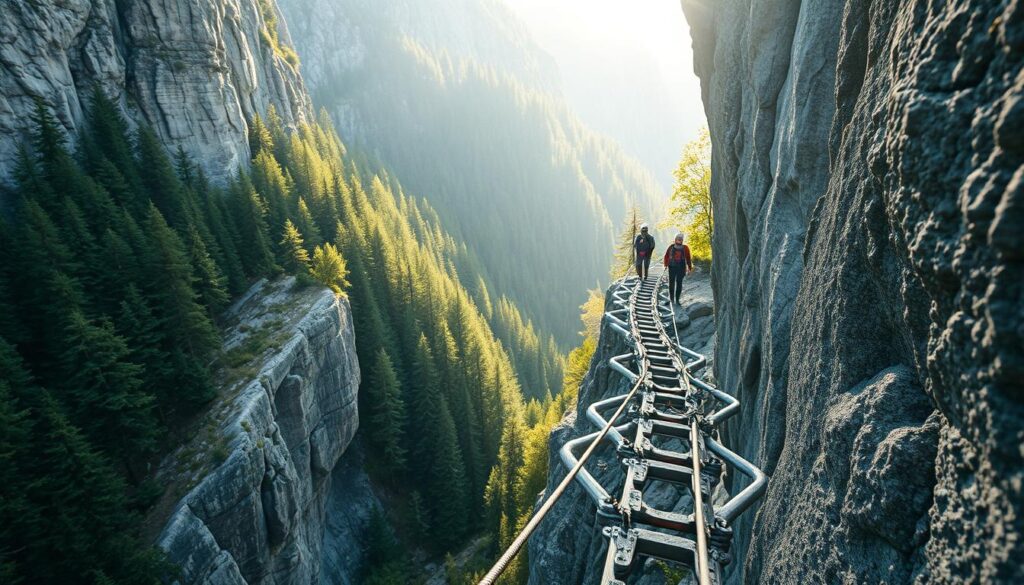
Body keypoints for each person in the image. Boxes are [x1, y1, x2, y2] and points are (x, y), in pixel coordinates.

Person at [663, 232, 693, 305]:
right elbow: (666, 256)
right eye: (678, 238)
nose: (679, 240)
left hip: (681, 268)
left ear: (682, 240)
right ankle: (671, 299)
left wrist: (689, 267)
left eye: (681, 239)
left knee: (679, 283)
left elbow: (688, 258)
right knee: (671, 283)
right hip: (672, 267)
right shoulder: (671, 247)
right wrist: (665, 265)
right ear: (675, 239)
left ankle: (677, 300)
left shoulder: (685, 248)